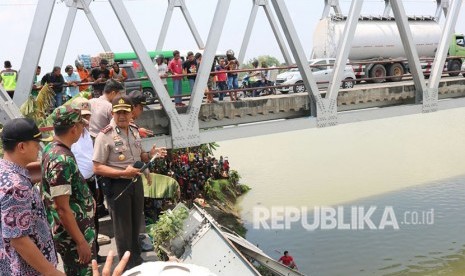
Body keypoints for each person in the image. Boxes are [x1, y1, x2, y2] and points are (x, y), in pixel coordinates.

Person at [93, 95, 167, 270]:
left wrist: (150, 154)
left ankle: (137, 262)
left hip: (135, 182)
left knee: (135, 225)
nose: (122, 116)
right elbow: (97, 168)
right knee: (123, 230)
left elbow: (140, 155)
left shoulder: (133, 130)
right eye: (118, 112)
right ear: (112, 113)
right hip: (117, 186)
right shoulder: (105, 136)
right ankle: (127, 268)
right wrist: (121, 173)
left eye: (125, 112)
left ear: (131, 113)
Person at [0, 118, 63, 276]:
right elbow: (19, 240)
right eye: (36, 145)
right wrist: (52, 273)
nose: (39, 149)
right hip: (28, 270)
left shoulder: (5, 171)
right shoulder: (16, 186)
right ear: (22, 147)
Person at [41, 105, 96, 275]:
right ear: (74, 129)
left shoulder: (52, 149)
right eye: (81, 126)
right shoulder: (61, 160)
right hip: (74, 238)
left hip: (75, 234)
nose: (82, 130)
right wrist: (80, 242)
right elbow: (62, 208)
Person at [70, 97, 107, 264]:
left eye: (87, 116)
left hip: (91, 182)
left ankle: (95, 254)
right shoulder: (70, 137)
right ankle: (84, 257)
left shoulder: (89, 136)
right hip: (77, 185)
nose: (85, 120)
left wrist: (97, 185)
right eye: (82, 116)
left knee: (94, 219)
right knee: (80, 221)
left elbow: (92, 160)